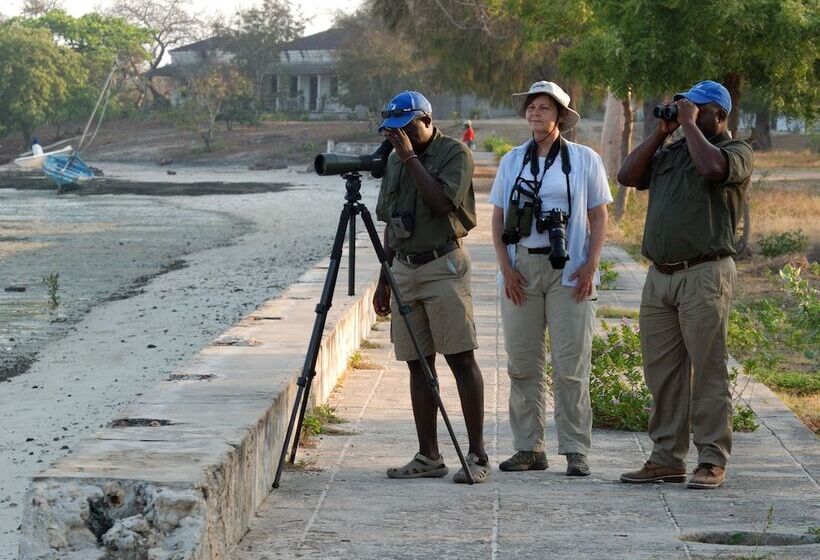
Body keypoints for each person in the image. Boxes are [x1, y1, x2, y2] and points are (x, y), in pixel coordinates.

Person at [617, 80, 753, 489]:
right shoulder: (674, 149)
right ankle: (666, 458)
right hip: (660, 276)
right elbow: (626, 175)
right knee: (662, 373)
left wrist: (689, 124)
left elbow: (713, 170)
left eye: (697, 109)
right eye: (683, 108)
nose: (685, 114)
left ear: (720, 115)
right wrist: (662, 132)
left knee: (708, 370)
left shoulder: (736, 151)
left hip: (704, 274)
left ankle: (711, 459)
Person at [489, 81, 612, 477]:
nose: (535, 113)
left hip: (569, 268)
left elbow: (598, 215)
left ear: (560, 116)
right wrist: (506, 269)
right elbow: (497, 218)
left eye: (544, 107)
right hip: (522, 267)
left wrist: (591, 266)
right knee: (522, 363)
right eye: (531, 107)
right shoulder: (512, 161)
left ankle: (576, 450)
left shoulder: (584, 159)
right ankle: (528, 447)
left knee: (571, 364)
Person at [373, 90, 490, 483]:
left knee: (460, 358)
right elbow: (391, 221)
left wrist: (408, 157)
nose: (398, 136)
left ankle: (477, 454)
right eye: (392, 131)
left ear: (425, 120)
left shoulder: (454, 153)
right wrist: (383, 278)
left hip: (443, 265)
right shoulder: (393, 159)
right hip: (404, 267)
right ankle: (429, 455)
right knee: (417, 363)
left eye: (405, 128)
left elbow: (442, 203)